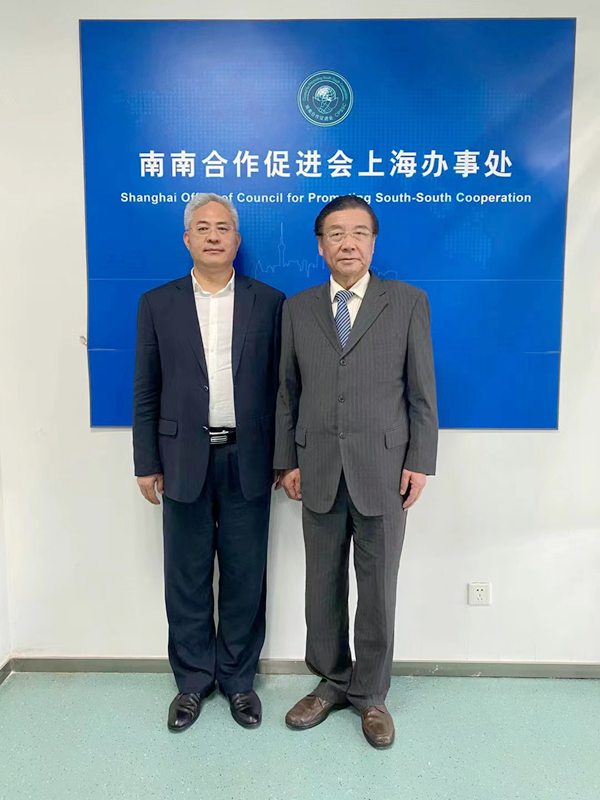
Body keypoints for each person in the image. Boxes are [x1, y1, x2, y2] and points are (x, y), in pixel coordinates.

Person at [274, 195, 438, 748]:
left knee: (378, 589)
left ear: (373, 242)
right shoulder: (297, 309)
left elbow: (422, 393)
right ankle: (331, 680)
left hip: (385, 470)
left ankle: (370, 694)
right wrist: (286, 460)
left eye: (359, 233)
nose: (348, 243)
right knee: (321, 586)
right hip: (317, 467)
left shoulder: (407, 302)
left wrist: (419, 462)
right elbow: (286, 392)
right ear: (320, 246)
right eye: (336, 234)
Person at [133, 193, 284, 732]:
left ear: (237, 240)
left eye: (223, 227)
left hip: (249, 457)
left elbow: (283, 389)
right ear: (187, 239)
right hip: (181, 458)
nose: (214, 235)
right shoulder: (158, 303)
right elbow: (146, 387)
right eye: (203, 227)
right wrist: (146, 461)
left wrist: (284, 457)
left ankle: (239, 681)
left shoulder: (270, 302)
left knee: (245, 575)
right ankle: (193, 681)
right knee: (187, 576)